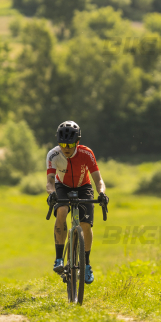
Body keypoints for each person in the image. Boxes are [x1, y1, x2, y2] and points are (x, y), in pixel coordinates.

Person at [46, 120, 108, 284]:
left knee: (86, 224)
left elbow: (98, 180)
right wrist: (52, 193)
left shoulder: (86, 153)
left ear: (77, 142)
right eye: (62, 143)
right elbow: (50, 181)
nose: (66, 147)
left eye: (70, 143)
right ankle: (59, 258)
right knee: (62, 210)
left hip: (84, 186)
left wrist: (101, 193)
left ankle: (86, 265)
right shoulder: (53, 154)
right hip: (62, 186)